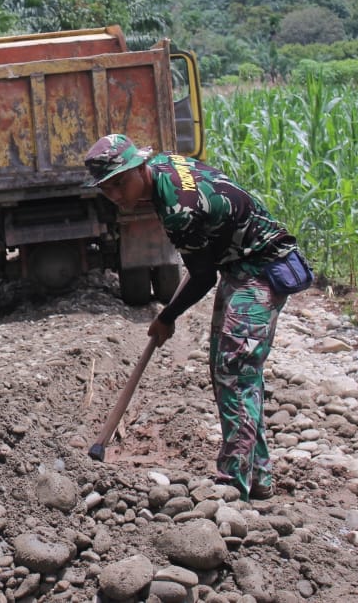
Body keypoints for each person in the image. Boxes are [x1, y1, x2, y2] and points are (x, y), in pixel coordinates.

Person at [83, 134, 301, 501]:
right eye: (108, 189)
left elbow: (202, 278)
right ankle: (259, 477)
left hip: (262, 266)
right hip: (238, 263)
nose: (117, 195)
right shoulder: (164, 166)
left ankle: (233, 485)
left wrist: (167, 317)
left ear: (139, 167)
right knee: (228, 371)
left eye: (121, 182)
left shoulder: (179, 209)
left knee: (235, 371)